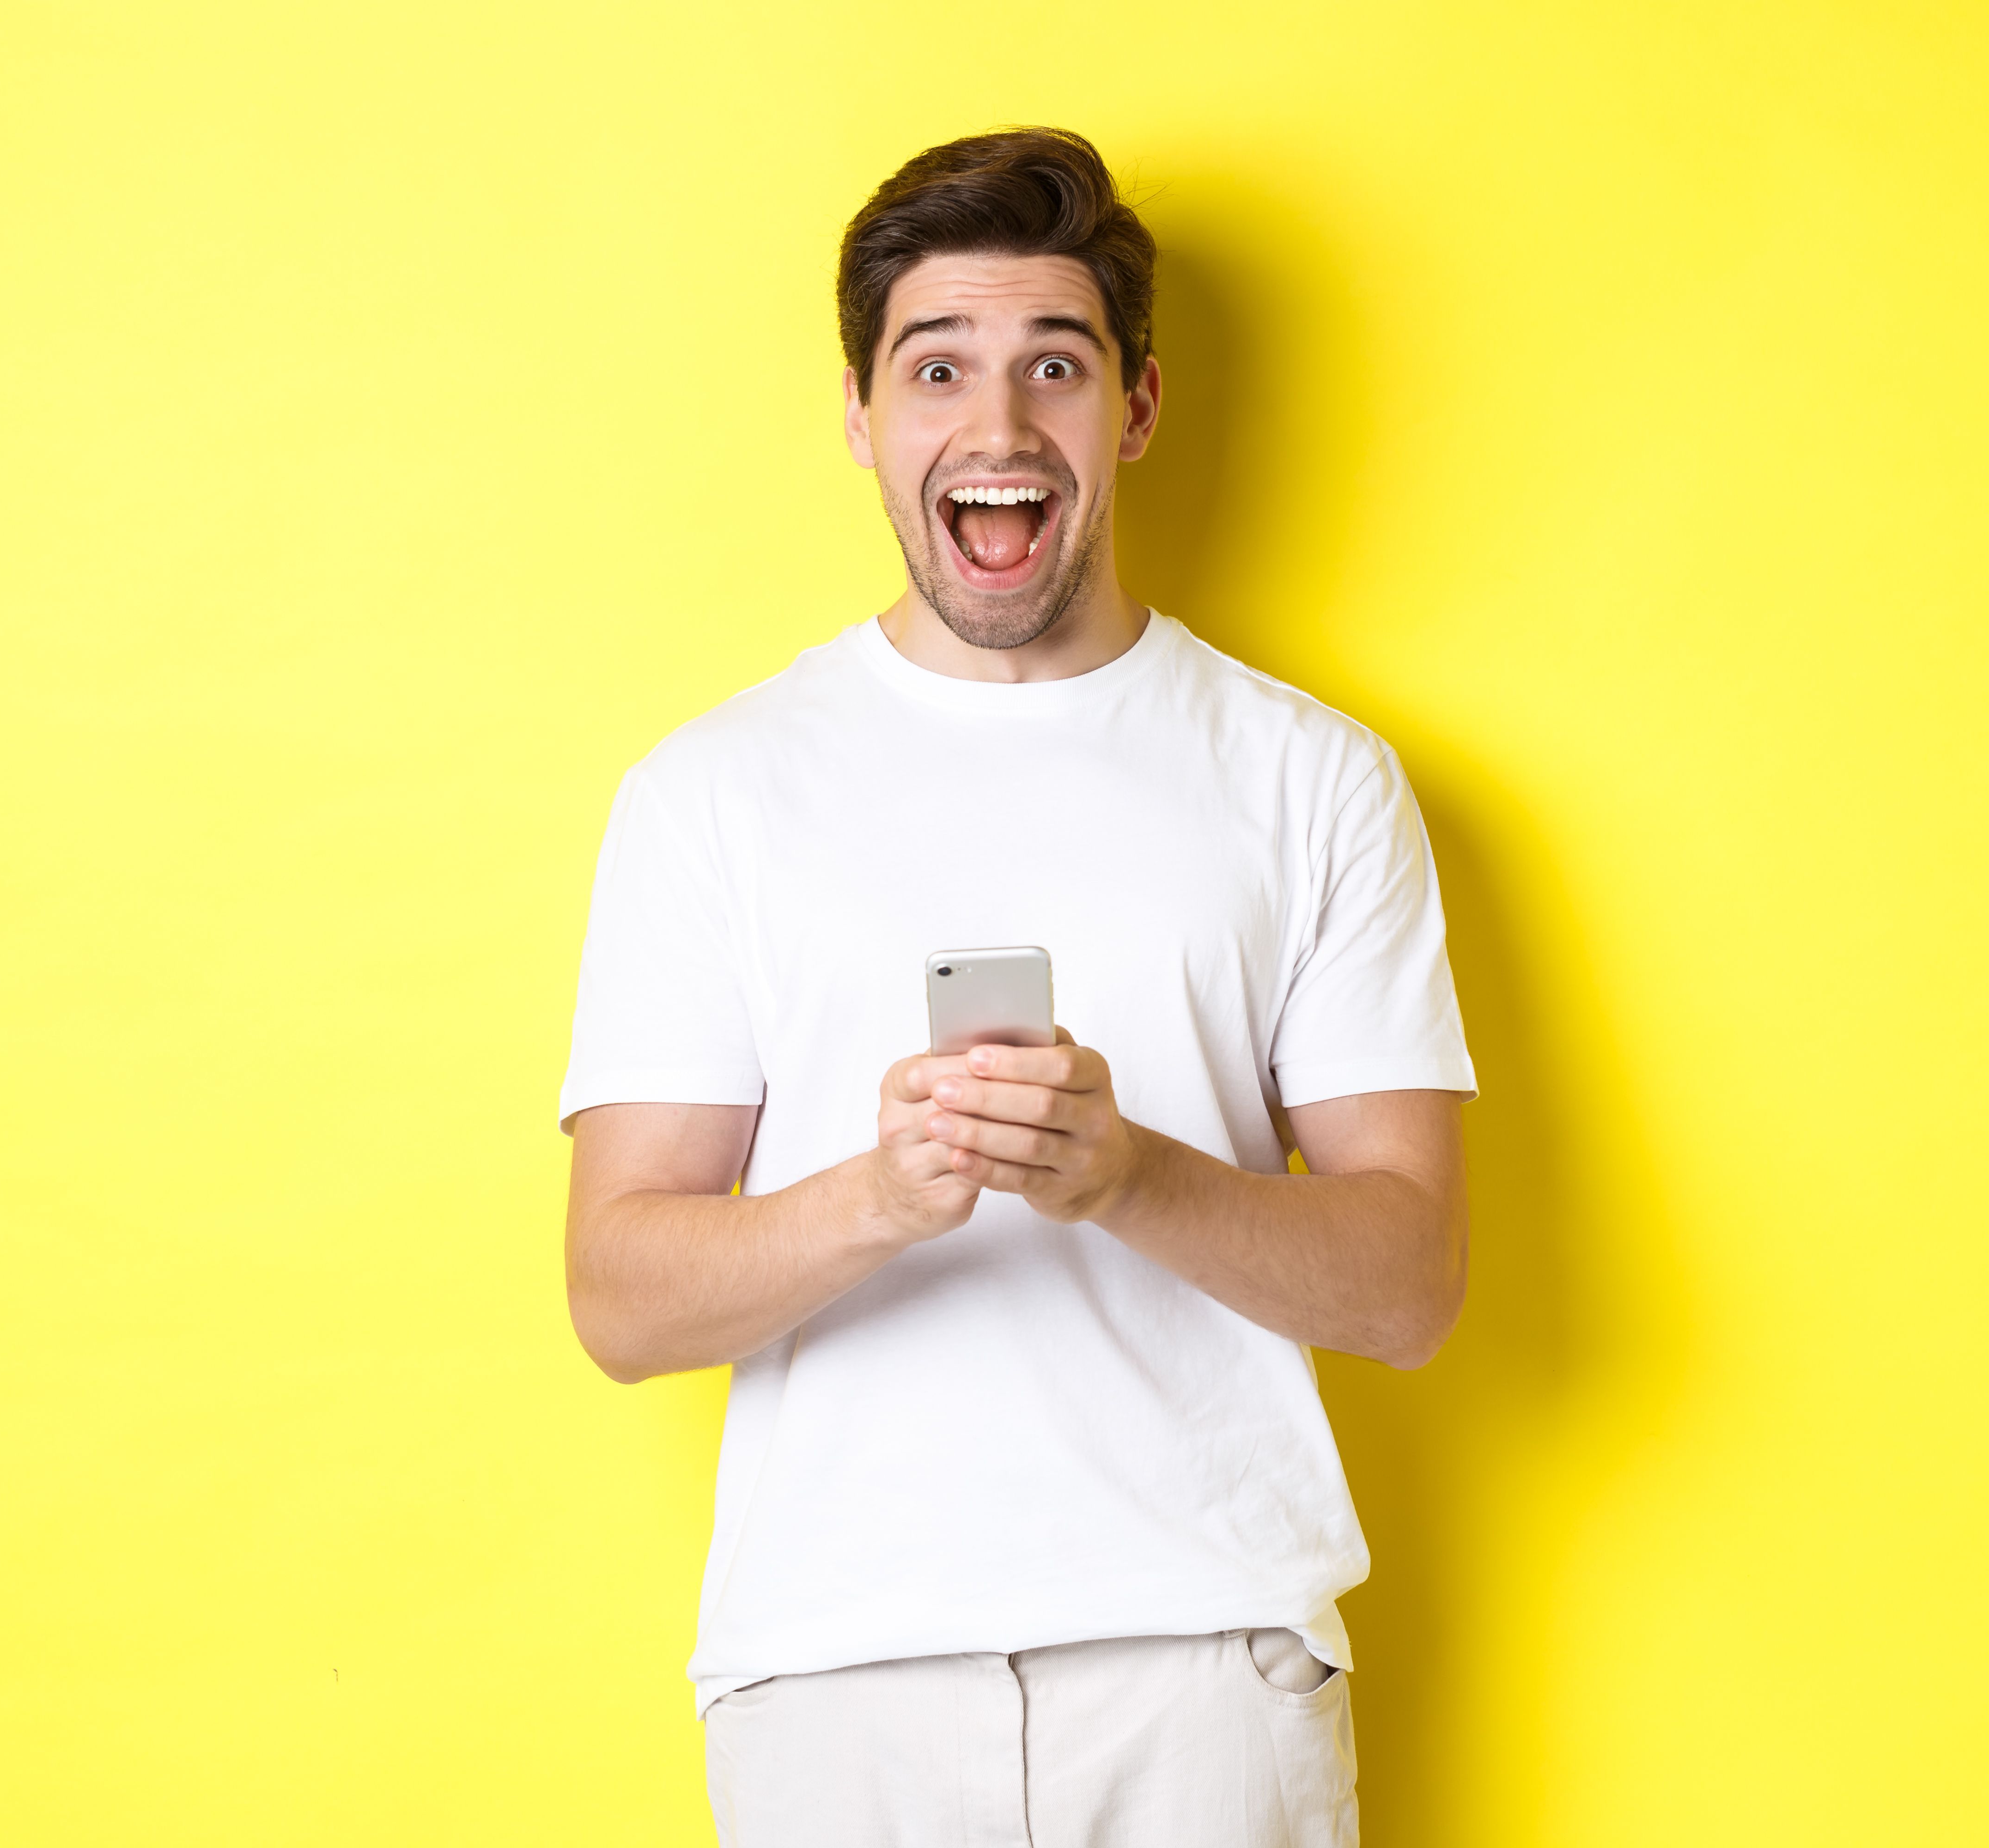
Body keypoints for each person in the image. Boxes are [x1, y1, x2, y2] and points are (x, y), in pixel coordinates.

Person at [558, 126, 1475, 1847]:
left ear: (1135, 408)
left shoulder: (1312, 779)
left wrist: (1127, 1175)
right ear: (862, 416)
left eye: (1055, 365)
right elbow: (619, 1298)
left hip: (1208, 1669)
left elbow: (1411, 1285)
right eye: (937, 369)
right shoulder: (712, 794)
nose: (997, 428)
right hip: (832, 1685)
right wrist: (880, 1196)